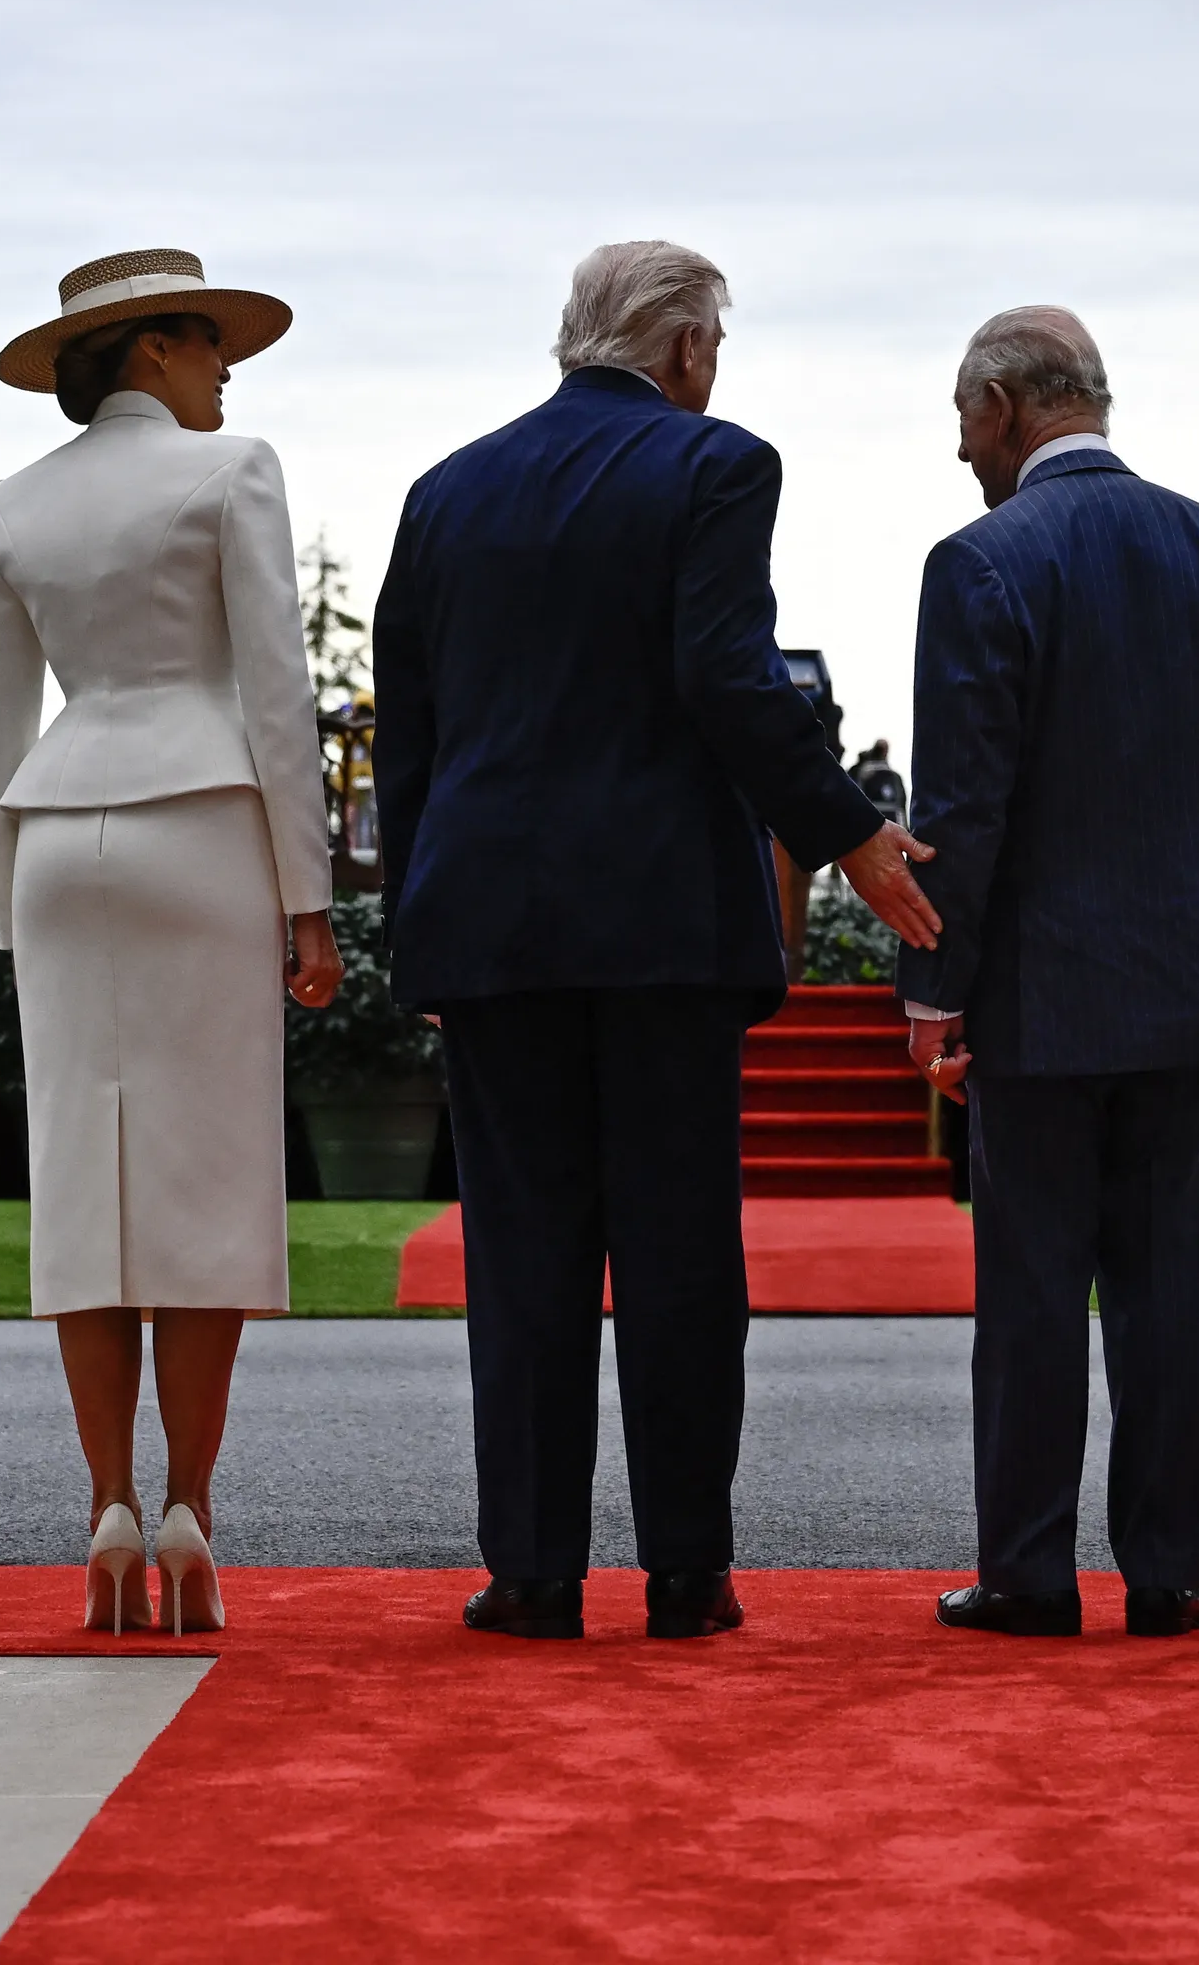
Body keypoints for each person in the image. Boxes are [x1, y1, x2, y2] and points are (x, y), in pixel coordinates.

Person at [376, 241, 941, 1644]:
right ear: (686, 347)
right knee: (680, 1255)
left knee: (524, 1258)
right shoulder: (717, 466)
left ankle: (532, 1573)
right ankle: (687, 1571)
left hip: (493, 924)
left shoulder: (445, 492)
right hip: (662, 926)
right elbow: (725, 675)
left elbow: (412, 735)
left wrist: (422, 928)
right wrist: (848, 830)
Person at [896, 309, 1199, 1641]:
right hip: (1192, 983)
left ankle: (1027, 1571)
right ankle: (1168, 1574)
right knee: (1167, 1294)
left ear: (1006, 406)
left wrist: (935, 988)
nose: (962, 450)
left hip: (1040, 994)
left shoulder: (981, 561)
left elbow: (965, 803)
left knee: (1030, 1293)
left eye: (964, 419)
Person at [0, 248, 345, 1634]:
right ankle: (188, 1506)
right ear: (151, 351)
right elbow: (277, 696)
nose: (227, 372)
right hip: (201, 828)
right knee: (206, 1182)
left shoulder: (15, 500)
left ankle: (107, 1510)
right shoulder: (234, 470)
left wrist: (8, 906)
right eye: (210, 346)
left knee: (82, 1185)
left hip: (59, 840)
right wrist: (308, 897)